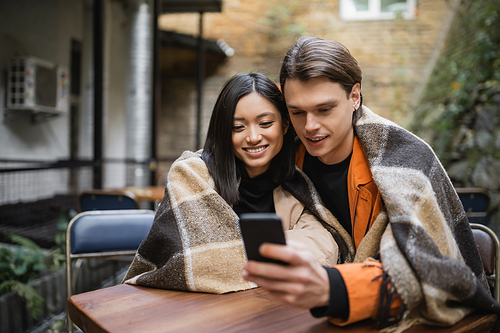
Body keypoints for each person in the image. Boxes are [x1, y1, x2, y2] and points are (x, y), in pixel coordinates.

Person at [242, 37, 500, 331]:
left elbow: (427, 272)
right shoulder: (283, 156)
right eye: (297, 112)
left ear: (355, 97)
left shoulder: (405, 159)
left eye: (324, 109)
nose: (309, 126)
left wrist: (333, 287)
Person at [122, 72, 339, 294]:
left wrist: (230, 252)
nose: (253, 136)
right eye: (238, 127)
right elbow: (191, 258)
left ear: (284, 125)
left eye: (265, 123)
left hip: (262, 308)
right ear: (224, 131)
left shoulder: (295, 184)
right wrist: (278, 256)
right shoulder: (192, 172)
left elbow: (326, 247)